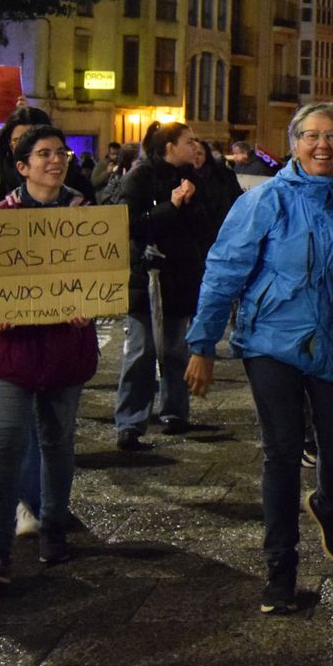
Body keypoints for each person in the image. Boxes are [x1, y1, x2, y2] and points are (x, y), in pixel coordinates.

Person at [186, 101, 333, 615]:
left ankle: (329, 505)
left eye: (332, 136)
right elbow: (224, 269)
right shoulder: (266, 200)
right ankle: (280, 570)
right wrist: (202, 344)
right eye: (311, 136)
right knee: (281, 450)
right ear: (294, 144)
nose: (322, 145)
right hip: (272, 341)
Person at [0, 124, 100, 585]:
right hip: (12, 353)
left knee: (57, 441)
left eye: (61, 152)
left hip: (64, 350)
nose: (56, 160)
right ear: (22, 167)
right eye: (44, 154)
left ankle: (53, 527)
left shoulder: (88, 217)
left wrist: (89, 304)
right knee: (4, 442)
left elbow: (103, 271)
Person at [112, 122, 217, 450]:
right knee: (141, 351)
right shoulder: (140, 177)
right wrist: (170, 207)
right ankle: (130, 422)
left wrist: (191, 205)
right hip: (146, 279)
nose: (195, 147)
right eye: (188, 141)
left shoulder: (192, 179)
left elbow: (204, 225)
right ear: (170, 146)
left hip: (180, 276)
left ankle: (174, 412)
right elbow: (130, 226)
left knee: (175, 349)